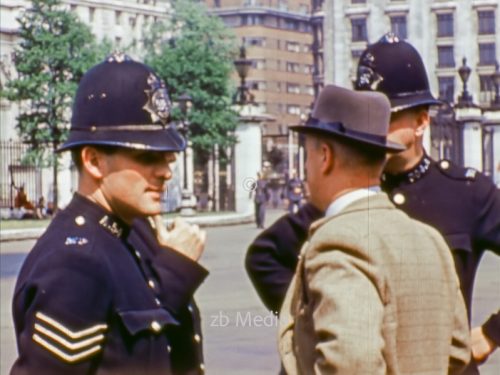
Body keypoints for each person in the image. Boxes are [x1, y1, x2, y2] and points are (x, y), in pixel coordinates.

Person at [247, 33, 500, 372]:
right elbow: (264, 257)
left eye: (388, 117)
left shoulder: (466, 193)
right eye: (367, 115)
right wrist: (318, 316)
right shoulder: (345, 193)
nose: (375, 129)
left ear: (422, 120)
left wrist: (492, 333)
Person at [11, 54, 208, 374]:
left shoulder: (136, 234)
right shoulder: (75, 261)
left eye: (168, 158)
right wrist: (172, 275)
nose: (165, 172)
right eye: (147, 158)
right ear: (93, 161)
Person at [278, 84, 470, 373]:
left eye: (307, 156)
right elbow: (456, 351)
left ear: (325, 157)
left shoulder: (338, 243)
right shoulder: (430, 240)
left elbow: (352, 363)